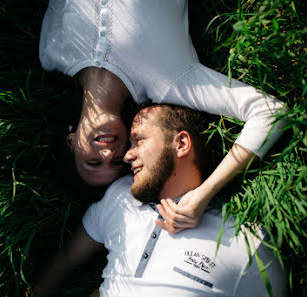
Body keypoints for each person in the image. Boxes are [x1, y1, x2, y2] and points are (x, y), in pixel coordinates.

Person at [39, 0, 287, 232]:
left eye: (93, 162)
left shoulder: (51, 54)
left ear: (70, 142)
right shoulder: (170, 82)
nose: (109, 153)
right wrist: (204, 193)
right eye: (117, 162)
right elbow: (269, 112)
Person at [32, 104, 286, 297]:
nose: (127, 155)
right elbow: (66, 260)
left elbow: (272, 113)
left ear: (182, 143)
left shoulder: (244, 240)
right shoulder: (120, 196)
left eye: (139, 140)